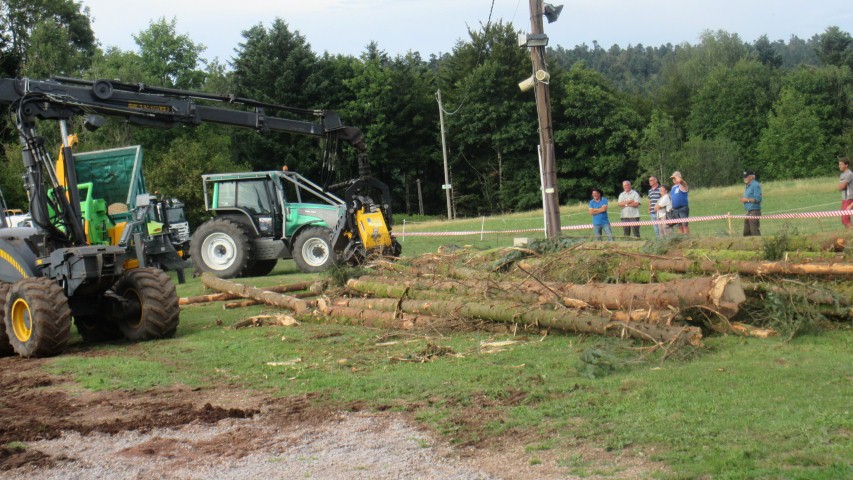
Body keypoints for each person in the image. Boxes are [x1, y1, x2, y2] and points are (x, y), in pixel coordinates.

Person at [740, 170, 762, 236]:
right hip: (748, 211)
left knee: (754, 230)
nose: (744, 178)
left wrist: (746, 200)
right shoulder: (748, 186)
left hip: (754, 211)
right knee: (746, 231)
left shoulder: (755, 185)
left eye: (746, 177)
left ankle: (759, 245)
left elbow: (758, 199)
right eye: (743, 177)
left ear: (751, 177)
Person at [839, 157, 853, 229]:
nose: (839, 166)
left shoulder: (850, 174)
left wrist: (841, 186)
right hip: (844, 199)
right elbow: (840, 188)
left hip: (849, 198)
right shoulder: (842, 175)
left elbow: (842, 186)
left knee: (846, 219)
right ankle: (848, 234)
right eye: (839, 164)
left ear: (846, 165)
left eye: (841, 164)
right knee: (844, 220)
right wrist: (841, 186)